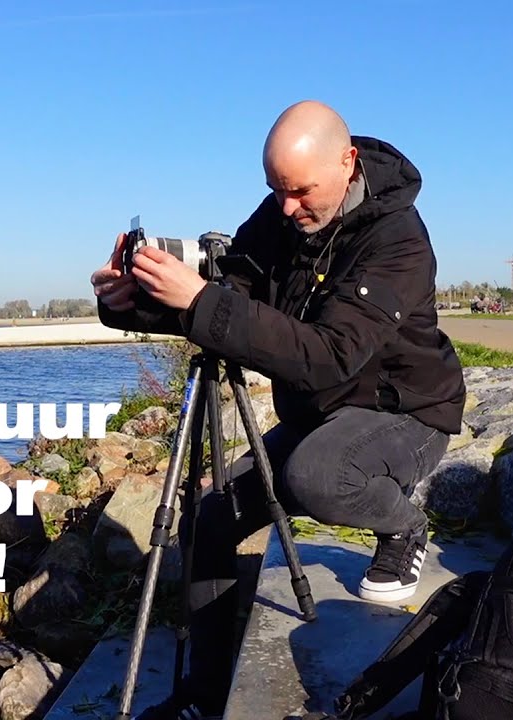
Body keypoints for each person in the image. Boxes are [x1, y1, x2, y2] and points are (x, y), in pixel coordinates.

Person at [90, 100, 466, 719]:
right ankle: (206, 695)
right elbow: (230, 296)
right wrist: (131, 302)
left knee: (317, 474)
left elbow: (329, 355)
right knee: (209, 517)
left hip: (406, 416)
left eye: (299, 191)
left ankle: (403, 524)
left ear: (347, 163)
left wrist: (204, 300)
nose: (287, 208)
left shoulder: (398, 240)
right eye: (275, 190)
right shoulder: (282, 214)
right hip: (321, 416)